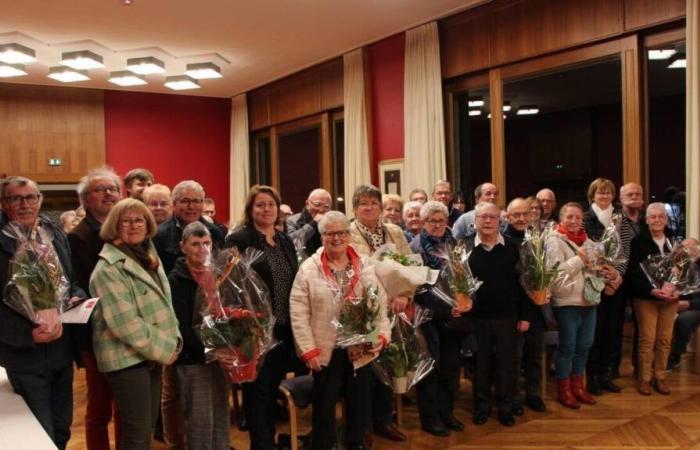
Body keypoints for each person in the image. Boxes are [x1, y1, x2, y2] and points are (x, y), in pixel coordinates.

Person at [290, 211, 390, 450]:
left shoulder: (364, 265)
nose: (336, 238)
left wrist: (381, 336)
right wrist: (308, 349)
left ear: (349, 234)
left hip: (361, 349)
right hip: (326, 350)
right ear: (322, 236)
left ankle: (356, 444)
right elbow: (298, 311)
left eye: (342, 232)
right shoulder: (309, 269)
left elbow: (379, 304)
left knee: (360, 406)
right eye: (330, 233)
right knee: (324, 407)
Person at [0, 176, 86, 450]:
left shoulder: (54, 232)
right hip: (24, 355)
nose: (25, 204)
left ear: (40, 200)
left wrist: (77, 296)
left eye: (31, 197)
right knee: (39, 436)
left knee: (61, 431)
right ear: (4, 203)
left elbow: (70, 279)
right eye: (17, 198)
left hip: (61, 351)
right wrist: (28, 335)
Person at [90, 198, 182, 450]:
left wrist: (172, 341)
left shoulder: (147, 255)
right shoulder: (107, 268)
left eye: (139, 219)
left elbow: (165, 304)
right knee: (136, 433)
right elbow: (124, 323)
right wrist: (166, 349)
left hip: (150, 353)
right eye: (126, 221)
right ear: (114, 226)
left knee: (147, 428)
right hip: (126, 358)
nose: (133, 225)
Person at [225, 185, 300, 450]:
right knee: (257, 390)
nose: (266, 209)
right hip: (255, 329)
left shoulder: (284, 239)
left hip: (283, 326)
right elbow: (230, 284)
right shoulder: (240, 240)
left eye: (270, 204)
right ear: (250, 209)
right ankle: (262, 443)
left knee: (272, 389)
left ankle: (268, 437)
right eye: (260, 205)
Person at [348, 184, 408, 442]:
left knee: (389, 364)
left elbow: (410, 263)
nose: (369, 207)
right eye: (363, 203)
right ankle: (362, 426)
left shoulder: (394, 231)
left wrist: (405, 294)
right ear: (355, 208)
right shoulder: (346, 232)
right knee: (363, 370)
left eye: (374, 203)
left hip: (393, 308)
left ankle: (384, 419)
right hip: (361, 311)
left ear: (382, 208)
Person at [69, 166, 124, 450]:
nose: (109, 194)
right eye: (101, 190)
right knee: (99, 408)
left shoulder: (126, 229)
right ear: (85, 199)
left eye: (113, 188)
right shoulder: (78, 237)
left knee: (126, 408)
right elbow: (93, 289)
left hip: (128, 332)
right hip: (98, 334)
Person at [467, 202, 535, 427]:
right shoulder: (464, 249)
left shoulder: (513, 247)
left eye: (492, 217)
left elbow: (525, 284)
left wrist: (525, 316)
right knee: (481, 365)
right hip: (478, 318)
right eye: (483, 217)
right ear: (475, 221)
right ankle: (482, 407)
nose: (487, 221)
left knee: (508, 364)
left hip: (508, 316)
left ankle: (505, 407)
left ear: (500, 221)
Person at [409, 200, 470, 437]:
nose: (437, 225)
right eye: (432, 221)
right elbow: (418, 288)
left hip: (453, 318)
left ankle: (447, 413)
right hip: (429, 318)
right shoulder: (416, 248)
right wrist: (447, 307)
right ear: (423, 223)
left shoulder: (453, 243)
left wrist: (466, 298)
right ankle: (430, 418)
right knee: (430, 371)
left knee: (450, 369)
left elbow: (463, 276)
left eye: (441, 220)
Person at [168, 222, 230, 450]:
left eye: (206, 243)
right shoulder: (176, 280)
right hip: (194, 360)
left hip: (221, 357)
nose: (202, 249)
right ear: (183, 247)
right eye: (195, 244)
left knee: (221, 416)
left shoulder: (218, 274)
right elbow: (182, 327)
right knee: (201, 421)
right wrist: (212, 351)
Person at [547, 202, 599, 409]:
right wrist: (579, 260)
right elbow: (554, 275)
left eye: (578, 217)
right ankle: (564, 389)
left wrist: (603, 271)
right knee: (567, 347)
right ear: (561, 219)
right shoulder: (553, 240)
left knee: (585, 345)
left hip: (589, 300)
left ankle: (578, 386)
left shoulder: (588, 241)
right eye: (570, 217)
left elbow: (593, 270)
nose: (574, 221)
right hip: (566, 302)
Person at [626, 203, 678, 396]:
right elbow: (633, 274)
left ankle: (660, 377)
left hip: (670, 300)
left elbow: (680, 270)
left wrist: (677, 289)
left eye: (661, 216)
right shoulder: (638, 242)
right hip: (646, 298)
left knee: (665, 340)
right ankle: (645, 379)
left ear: (666, 219)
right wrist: (652, 291)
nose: (657, 220)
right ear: (646, 220)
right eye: (653, 217)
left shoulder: (673, 242)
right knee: (647, 340)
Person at [583, 178, 628, 396]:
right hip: (594, 283)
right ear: (592, 195)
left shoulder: (621, 218)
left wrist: (617, 277)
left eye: (608, 193)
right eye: (600, 193)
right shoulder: (584, 218)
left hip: (616, 285)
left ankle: (606, 375)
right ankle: (591, 377)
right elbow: (585, 251)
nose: (604, 196)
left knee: (613, 330)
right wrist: (603, 278)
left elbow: (626, 250)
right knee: (595, 331)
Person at [503, 198, 547, 413]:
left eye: (524, 214)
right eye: (515, 215)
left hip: (536, 307)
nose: (521, 218)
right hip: (513, 310)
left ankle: (534, 394)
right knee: (514, 357)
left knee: (534, 355)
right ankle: (514, 398)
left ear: (531, 215)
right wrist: (522, 315)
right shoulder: (503, 241)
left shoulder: (537, 239)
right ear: (507, 217)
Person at [154, 180, 225, 275]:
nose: (191, 206)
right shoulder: (159, 235)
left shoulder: (215, 232)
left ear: (202, 204)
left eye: (196, 201)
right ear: (174, 204)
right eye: (185, 201)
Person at [668, 238, 700, 369]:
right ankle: (659, 356)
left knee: (683, 320)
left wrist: (689, 304)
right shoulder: (679, 265)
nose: (685, 250)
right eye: (683, 247)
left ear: (697, 248)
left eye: (689, 247)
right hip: (677, 304)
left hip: (696, 307)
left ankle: (675, 356)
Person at [286, 188, 332, 256]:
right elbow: (291, 242)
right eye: (317, 204)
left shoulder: (331, 222)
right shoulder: (292, 221)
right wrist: (313, 224)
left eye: (326, 207)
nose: (321, 210)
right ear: (307, 204)